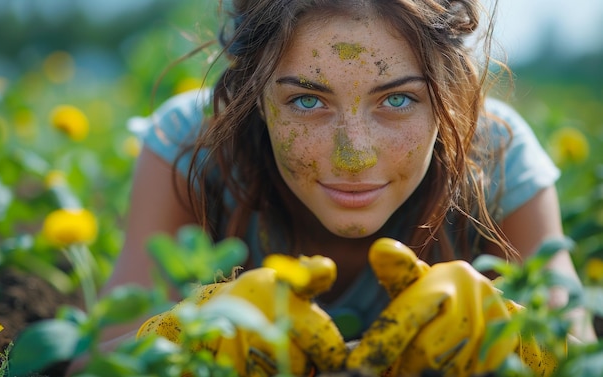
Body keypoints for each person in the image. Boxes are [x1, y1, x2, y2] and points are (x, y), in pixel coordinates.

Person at [85, 0, 597, 374]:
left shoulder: (496, 153)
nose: (355, 157)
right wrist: (187, 333)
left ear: (449, 95)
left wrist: (519, 338)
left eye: (397, 101)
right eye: (308, 102)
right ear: (254, 96)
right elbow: (92, 363)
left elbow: (582, 353)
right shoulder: (191, 146)